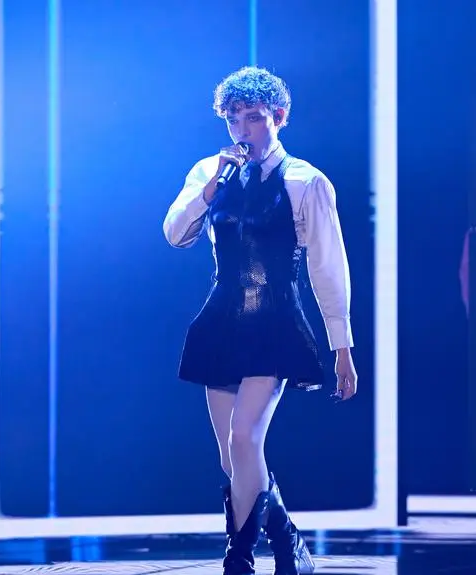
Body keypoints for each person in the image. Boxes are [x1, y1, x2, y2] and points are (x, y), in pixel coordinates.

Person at [162, 66, 358, 575]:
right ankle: (287, 537)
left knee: (246, 438)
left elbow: (328, 267)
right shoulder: (210, 172)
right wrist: (209, 191)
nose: (242, 130)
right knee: (232, 457)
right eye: (233, 120)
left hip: (275, 321)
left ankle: (239, 556)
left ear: (279, 117)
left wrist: (342, 346)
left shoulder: (306, 181)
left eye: (253, 118)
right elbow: (174, 233)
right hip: (222, 319)